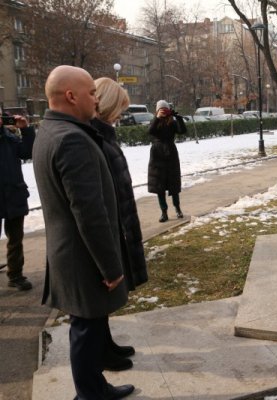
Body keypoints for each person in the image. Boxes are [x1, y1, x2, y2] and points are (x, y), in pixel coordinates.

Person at [32, 65, 134, 400]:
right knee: (85, 328)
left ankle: (93, 389)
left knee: (87, 326)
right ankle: (91, 394)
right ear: (71, 96)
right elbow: (89, 214)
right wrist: (111, 267)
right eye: (91, 92)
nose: (96, 98)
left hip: (71, 252)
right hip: (83, 256)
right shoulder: (73, 139)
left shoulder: (50, 130)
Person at [91, 77, 148, 372]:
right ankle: (101, 352)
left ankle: (106, 344)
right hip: (110, 223)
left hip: (118, 220)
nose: (120, 116)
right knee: (102, 294)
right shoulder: (94, 137)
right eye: (119, 109)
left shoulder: (104, 134)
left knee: (109, 296)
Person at [0, 108, 35, 290]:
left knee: (15, 239)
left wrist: (26, 129)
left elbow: (28, 152)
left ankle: (16, 275)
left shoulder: (9, 137)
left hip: (14, 195)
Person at [147, 99, 187, 222]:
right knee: (160, 185)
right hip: (157, 153)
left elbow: (182, 131)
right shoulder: (155, 121)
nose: (163, 111)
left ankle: (178, 209)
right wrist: (157, 118)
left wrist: (178, 118)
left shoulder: (172, 122)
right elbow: (150, 132)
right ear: (157, 110)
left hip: (171, 153)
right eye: (161, 109)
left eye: (165, 109)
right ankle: (163, 212)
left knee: (173, 183)